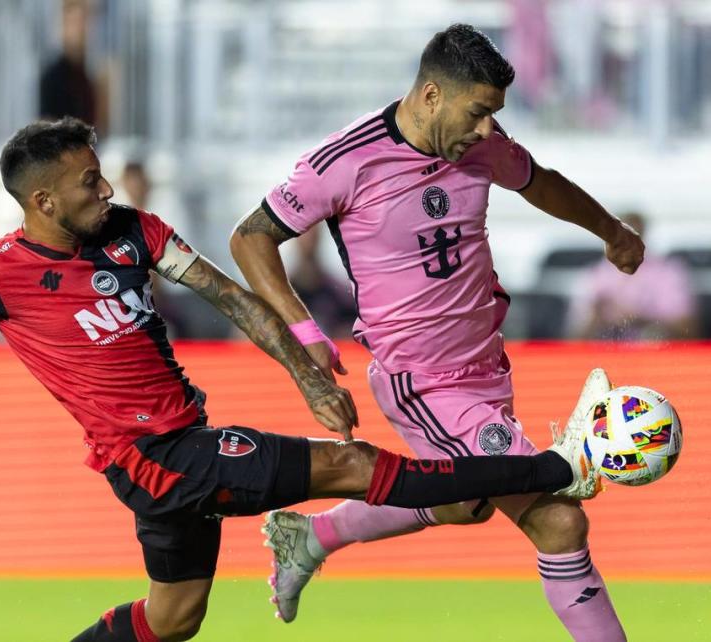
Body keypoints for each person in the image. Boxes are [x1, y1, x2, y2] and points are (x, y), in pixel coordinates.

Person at [0, 117, 606, 642]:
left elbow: (232, 297)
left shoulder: (133, 231)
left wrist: (307, 374)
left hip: (180, 446)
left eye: (101, 174)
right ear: (41, 201)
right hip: (158, 460)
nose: (106, 189)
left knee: (176, 616)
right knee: (353, 464)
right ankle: (552, 465)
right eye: (88, 183)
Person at [230, 23, 643, 641]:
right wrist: (302, 328)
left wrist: (610, 231)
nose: (487, 130)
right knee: (559, 522)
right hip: (422, 380)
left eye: (493, 116)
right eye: (477, 113)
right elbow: (250, 236)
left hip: (485, 368)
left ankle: (314, 535)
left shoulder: (478, 144)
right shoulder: (345, 161)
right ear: (430, 95)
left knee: (466, 501)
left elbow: (540, 180)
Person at [567, 212, 697, 340]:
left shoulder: (667, 273)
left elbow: (688, 331)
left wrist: (638, 318)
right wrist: (596, 316)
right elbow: (574, 340)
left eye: (633, 236)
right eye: (619, 236)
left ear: (643, 236)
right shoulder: (594, 276)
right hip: (603, 355)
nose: (626, 242)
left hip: (655, 354)